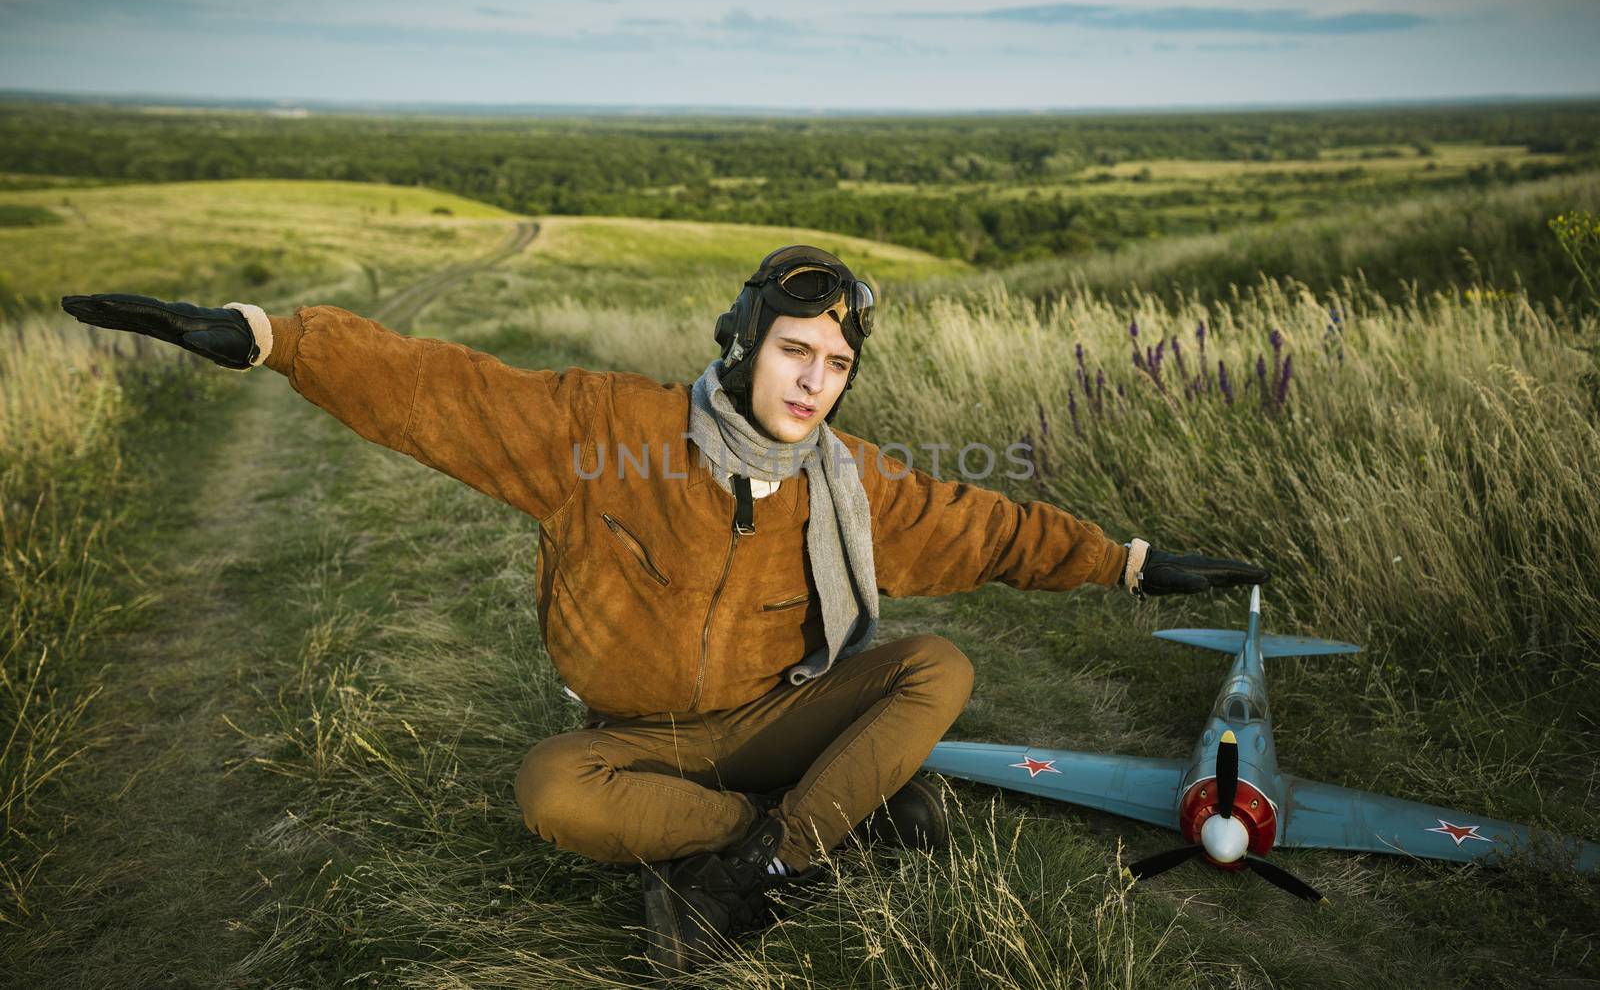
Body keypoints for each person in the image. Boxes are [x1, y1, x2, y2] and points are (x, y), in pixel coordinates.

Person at [61, 244, 1266, 974]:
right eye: (795, 350)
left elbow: (987, 526)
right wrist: (273, 338)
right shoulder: (605, 432)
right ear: (743, 343)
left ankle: (771, 856)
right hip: (629, 731)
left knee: (933, 666)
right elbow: (440, 391)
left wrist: (1127, 561)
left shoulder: (849, 481)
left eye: (835, 365)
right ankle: (781, 829)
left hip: (771, 712)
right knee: (549, 791)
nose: (812, 381)